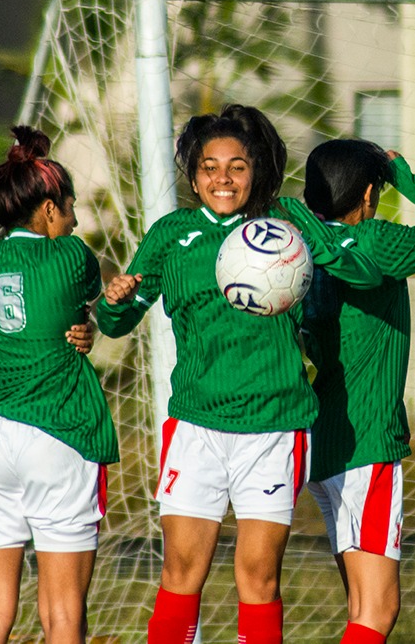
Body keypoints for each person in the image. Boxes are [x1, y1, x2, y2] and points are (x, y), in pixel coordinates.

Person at [95, 106, 382, 644]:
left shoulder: (288, 226)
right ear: (194, 174)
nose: (221, 178)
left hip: (273, 428)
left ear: (257, 171)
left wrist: (312, 239)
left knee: (258, 578)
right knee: (182, 575)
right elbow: (118, 321)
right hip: (197, 427)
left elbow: (363, 272)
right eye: (209, 167)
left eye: (236, 166)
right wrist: (113, 301)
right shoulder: (172, 234)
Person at [300, 139, 415, 644]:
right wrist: (405, 177)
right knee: (378, 610)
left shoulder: (298, 247)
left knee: (360, 606)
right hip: (367, 443)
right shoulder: (377, 241)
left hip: (323, 439)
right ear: (366, 195)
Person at [0, 125, 118, 644]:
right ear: (48, 209)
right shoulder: (71, 256)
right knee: (62, 615)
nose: (73, 219)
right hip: (56, 431)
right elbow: (84, 296)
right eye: (68, 207)